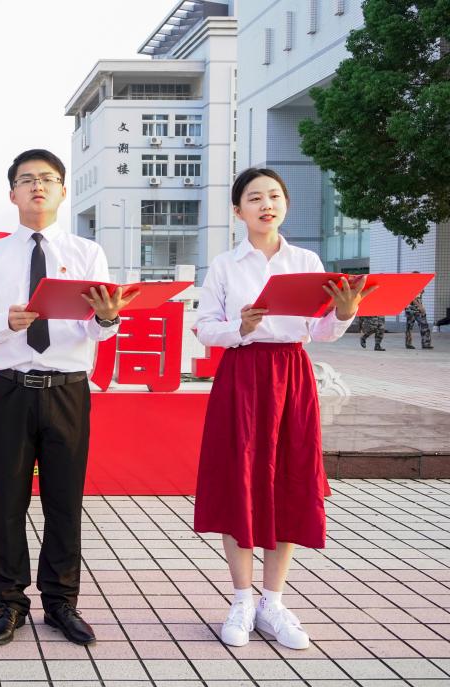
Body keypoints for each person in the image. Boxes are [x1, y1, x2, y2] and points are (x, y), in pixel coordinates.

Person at [0, 149, 136, 647]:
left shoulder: (87, 253)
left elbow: (99, 328)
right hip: (9, 389)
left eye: (48, 179)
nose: (38, 186)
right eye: (27, 179)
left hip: (67, 390)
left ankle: (61, 603)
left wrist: (107, 317)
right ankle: (9, 604)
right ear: (11, 193)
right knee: (6, 503)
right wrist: (4, 321)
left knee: (65, 503)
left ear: (62, 190)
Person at [193, 168, 372, 650]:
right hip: (242, 374)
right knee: (239, 481)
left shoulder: (306, 261)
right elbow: (205, 327)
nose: (266, 204)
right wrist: (241, 327)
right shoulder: (225, 265)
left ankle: (273, 601)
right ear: (238, 211)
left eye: (274, 196)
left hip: (292, 375)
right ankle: (241, 599)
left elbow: (320, 331)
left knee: (288, 481)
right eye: (254, 198)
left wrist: (345, 313)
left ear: (285, 204)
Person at [403, 279, 433, 349]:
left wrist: (421, 288)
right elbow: (411, 297)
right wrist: (420, 307)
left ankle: (425, 344)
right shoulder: (409, 286)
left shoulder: (418, 285)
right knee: (411, 327)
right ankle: (410, 344)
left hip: (415, 309)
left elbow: (421, 293)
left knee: (423, 326)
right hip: (412, 309)